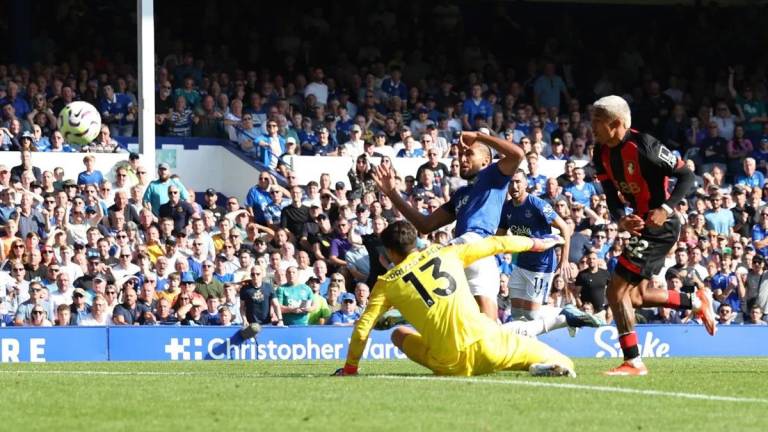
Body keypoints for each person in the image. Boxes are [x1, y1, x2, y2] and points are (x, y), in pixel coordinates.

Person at [333, 221, 574, 377]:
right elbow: (496, 243)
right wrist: (536, 243)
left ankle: (533, 365)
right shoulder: (447, 252)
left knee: (398, 333)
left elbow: (363, 328)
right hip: (491, 346)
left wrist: (351, 367)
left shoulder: (387, 283)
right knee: (564, 363)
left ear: (389, 252)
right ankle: (537, 366)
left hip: (450, 364)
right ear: (416, 241)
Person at [591, 95, 715, 376]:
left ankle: (633, 361)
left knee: (616, 290)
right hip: (643, 226)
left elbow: (687, 176)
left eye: (597, 122)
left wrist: (666, 208)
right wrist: (620, 218)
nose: (592, 128)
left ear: (617, 123)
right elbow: (611, 194)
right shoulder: (600, 152)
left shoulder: (645, 146)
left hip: (661, 226)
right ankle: (695, 301)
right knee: (636, 296)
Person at [373, 131, 524, 319]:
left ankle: (407, 309)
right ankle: (407, 309)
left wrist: (479, 136)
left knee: (489, 327)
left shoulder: (494, 176)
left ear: (486, 161)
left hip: (479, 247)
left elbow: (517, 155)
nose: (462, 159)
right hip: (462, 252)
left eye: (469, 154)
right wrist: (392, 193)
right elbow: (425, 225)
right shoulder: (461, 194)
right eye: (460, 155)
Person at [496, 170, 573, 320]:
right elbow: (499, 236)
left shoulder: (537, 204)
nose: (514, 186)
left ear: (526, 184)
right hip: (521, 265)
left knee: (532, 315)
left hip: (541, 266)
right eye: (511, 182)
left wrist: (564, 260)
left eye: (518, 182)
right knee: (517, 314)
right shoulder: (507, 208)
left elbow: (564, 227)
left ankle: (565, 314)